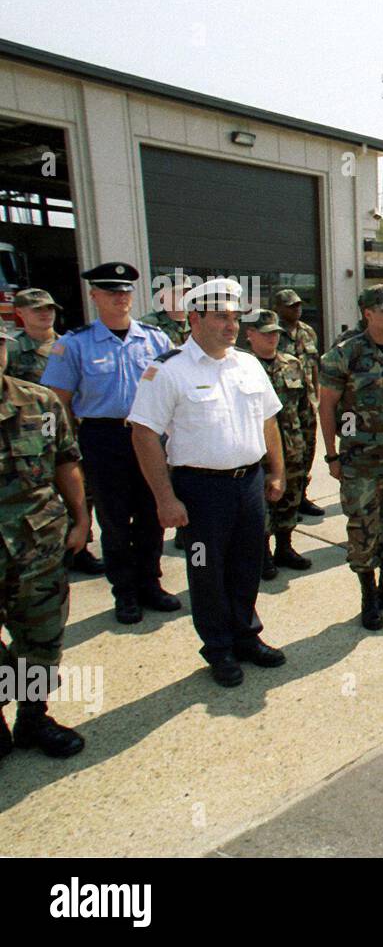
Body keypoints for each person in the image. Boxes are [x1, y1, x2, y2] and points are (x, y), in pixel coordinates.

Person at [128, 278, 288, 688]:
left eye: (234, 318)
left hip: (248, 483)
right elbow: (144, 433)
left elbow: (268, 420)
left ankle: (245, 636)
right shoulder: (167, 370)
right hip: (200, 492)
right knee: (206, 571)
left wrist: (276, 471)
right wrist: (165, 498)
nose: (231, 326)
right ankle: (217, 648)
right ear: (195, 319)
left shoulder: (248, 364)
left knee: (247, 565)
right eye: (221, 317)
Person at [40, 262, 179, 625]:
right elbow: (57, 404)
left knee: (153, 515)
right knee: (115, 521)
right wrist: (57, 451)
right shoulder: (74, 344)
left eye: (125, 291)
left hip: (149, 436)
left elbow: (172, 392)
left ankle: (151, 584)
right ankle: (125, 593)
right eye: (111, 292)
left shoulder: (156, 340)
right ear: (94, 295)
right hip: (104, 439)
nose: (120, 298)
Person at [0, 324, 91, 759]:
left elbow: (66, 463)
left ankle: (33, 717)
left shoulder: (39, 402)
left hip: (39, 550)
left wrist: (80, 518)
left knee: (41, 643)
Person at [318, 285, 383, 630]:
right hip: (360, 463)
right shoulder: (345, 354)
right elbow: (328, 406)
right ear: (368, 313)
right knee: (363, 531)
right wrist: (332, 456)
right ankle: (368, 596)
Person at [7, 288, 103, 575]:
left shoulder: (70, 346)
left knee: (81, 490)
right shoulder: (11, 351)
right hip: (27, 438)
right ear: (20, 314)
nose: (46, 314)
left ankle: (79, 547)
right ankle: (41, 549)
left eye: (49, 309)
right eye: (37, 309)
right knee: (40, 494)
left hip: (70, 431)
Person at [244, 309, 312, 579]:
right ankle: (263, 555)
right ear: (250, 335)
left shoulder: (292, 364)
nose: (272, 338)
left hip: (292, 447)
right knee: (261, 507)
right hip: (257, 451)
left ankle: (285, 548)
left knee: (290, 500)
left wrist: (307, 445)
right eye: (266, 333)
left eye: (276, 333)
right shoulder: (242, 366)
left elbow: (305, 408)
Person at [272, 289, 325, 518]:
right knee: (285, 454)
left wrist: (317, 395)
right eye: (291, 305)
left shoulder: (307, 332)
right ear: (279, 308)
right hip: (283, 406)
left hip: (306, 403)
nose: (296, 309)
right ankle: (283, 502)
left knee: (307, 449)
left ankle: (300, 497)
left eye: (298, 305)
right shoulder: (272, 332)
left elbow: (313, 365)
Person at [139, 277, 192, 347]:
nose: (184, 296)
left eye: (187, 292)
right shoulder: (149, 324)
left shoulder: (200, 321)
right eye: (178, 292)